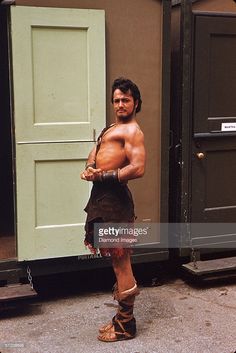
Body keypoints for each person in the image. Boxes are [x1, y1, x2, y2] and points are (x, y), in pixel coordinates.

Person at [80, 77, 146, 342]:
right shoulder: (112, 127)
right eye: (116, 100)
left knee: (121, 262)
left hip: (115, 202)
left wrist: (102, 177)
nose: (120, 104)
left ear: (135, 103)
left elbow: (138, 168)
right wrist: (91, 168)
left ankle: (126, 325)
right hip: (102, 201)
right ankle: (121, 317)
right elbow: (97, 152)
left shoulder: (133, 132)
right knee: (116, 261)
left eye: (125, 100)